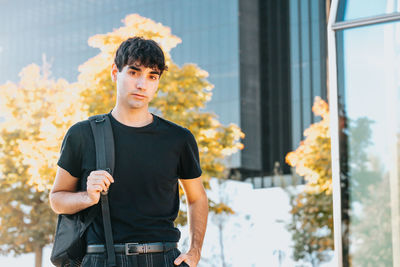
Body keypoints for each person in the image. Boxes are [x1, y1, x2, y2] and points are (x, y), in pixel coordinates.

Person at [49, 36, 208, 267]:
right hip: (101, 259)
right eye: (134, 72)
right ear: (115, 72)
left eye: (152, 76)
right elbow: (57, 199)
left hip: (163, 258)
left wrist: (194, 252)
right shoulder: (82, 135)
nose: (142, 84)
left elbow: (197, 198)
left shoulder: (179, 138)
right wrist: (87, 196)